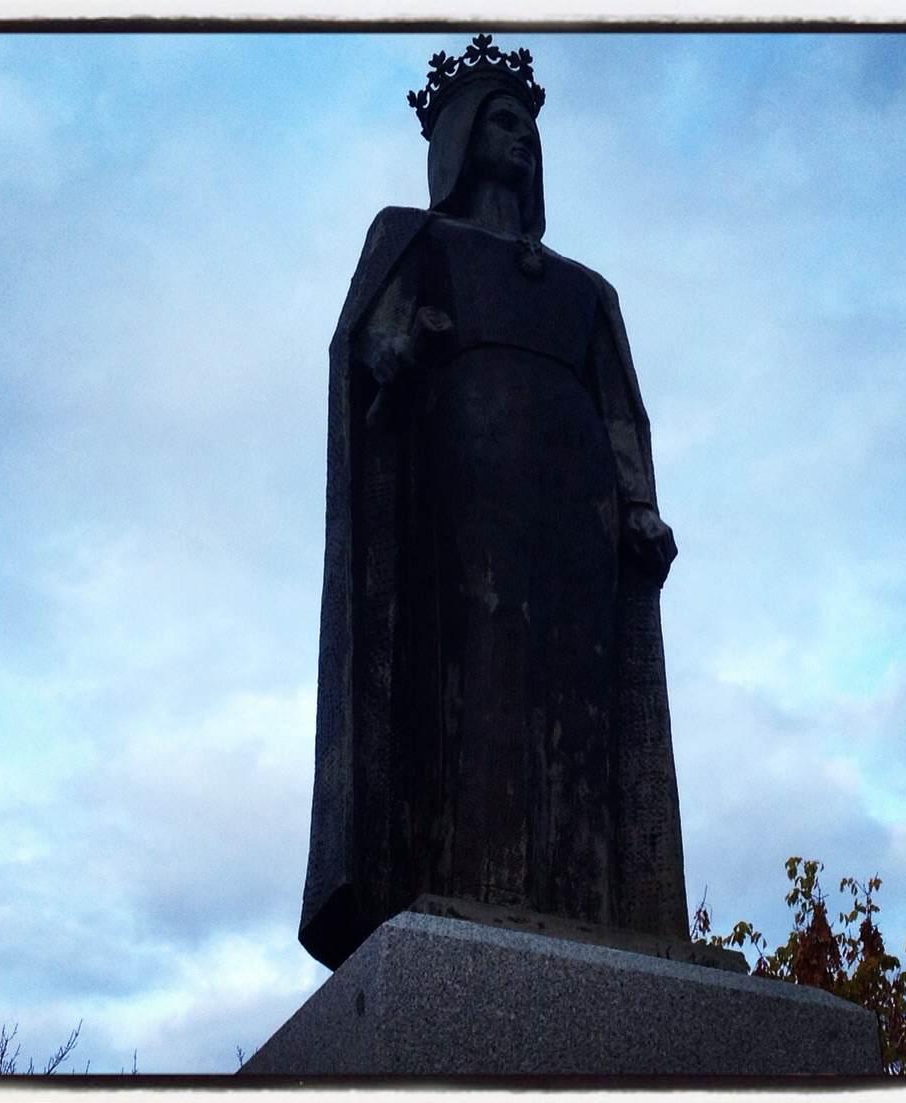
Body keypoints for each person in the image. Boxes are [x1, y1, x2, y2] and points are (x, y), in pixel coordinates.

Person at [300, 35, 688, 971]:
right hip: (465, 484)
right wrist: (397, 355)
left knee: (582, 691)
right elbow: (366, 355)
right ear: (462, 137)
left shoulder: (584, 290)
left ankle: (593, 897)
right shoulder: (417, 241)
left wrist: (638, 502)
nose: (520, 138)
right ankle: (475, 880)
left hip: (578, 499)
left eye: (529, 127)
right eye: (502, 120)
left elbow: (621, 407)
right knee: (480, 672)